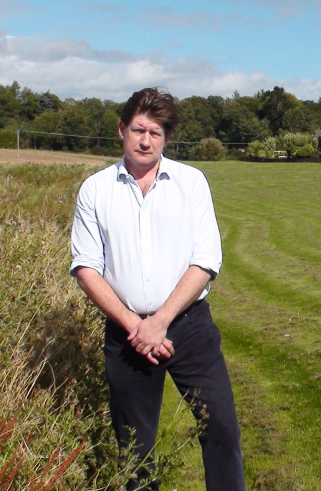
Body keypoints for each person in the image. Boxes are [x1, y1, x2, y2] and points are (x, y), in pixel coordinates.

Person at [70, 88, 244, 491]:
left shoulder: (191, 182)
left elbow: (206, 259)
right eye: (138, 130)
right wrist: (136, 325)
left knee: (220, 427)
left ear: (166, 138)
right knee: (135, 448)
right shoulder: (95, 190)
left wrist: (161, 321)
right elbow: (86, 267)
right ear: (121, 130)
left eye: (156, 132)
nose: (146, 140)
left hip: (189, 328)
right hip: (126, 334)